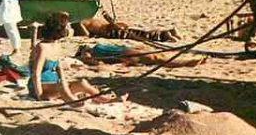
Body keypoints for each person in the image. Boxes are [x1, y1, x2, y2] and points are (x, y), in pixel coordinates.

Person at [28, 12, 118, 105]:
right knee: (61, 87)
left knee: (82, 83)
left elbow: (59, 68)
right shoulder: (42, 47)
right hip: (40, 86)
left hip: (54, 84)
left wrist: (63, 80)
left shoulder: (56, 45)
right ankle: (74, 102)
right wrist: (39, 95)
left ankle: (104, 99)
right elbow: (36, 74)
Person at [75, 43, 206, 68]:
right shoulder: (96, 52)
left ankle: (187, 62)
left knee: (156, 59)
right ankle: (187, 63)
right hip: (125, 54)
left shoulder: (95, 51)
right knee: (156, 59)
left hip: (125, 53)